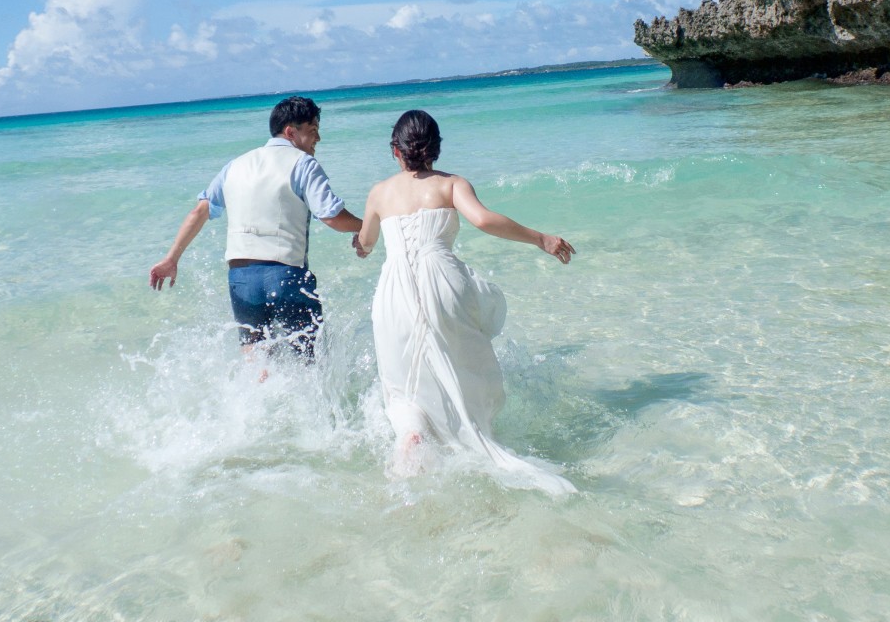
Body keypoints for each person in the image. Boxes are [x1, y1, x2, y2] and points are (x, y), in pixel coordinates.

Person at [354, 109, 576, 494]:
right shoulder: (452, 184)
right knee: (465, 368)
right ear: (436, 148)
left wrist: (358, 243)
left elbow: (366, 243)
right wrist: (541, 238)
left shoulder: (379, 192)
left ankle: (411, 439)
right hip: (443, 284)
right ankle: (469, 435)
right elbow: (484, 220)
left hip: (392, 294)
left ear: (396, 151)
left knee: (403, 380)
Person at [150, 96, 361, 359]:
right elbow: (331, 216)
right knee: (310, 361)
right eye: (313, 131)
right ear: (290, 132)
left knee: (255, 362)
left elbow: (199, 211)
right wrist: (363, 227)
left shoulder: (235, 165)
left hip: (241, 280)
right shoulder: (303, 164)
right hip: (285, 276)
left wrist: (172, 258)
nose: (318, 139)